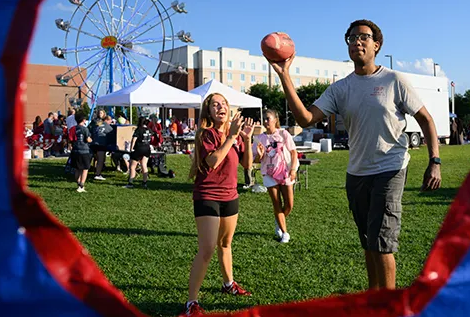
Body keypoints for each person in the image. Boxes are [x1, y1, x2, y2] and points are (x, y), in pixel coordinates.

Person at [269, 19, 442, 290]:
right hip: (357, 173)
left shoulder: (394, 80)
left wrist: (435, 160)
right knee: (368, 241)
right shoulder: (341, 88)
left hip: (390, 168)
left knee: (382, 242)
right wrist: (284, 75)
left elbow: (426, 120)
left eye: (363, 37)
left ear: (377, 45)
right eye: (351, 38)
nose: (357, 42)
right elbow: (305, 119)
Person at [182, 93, 254, 316]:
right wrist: (231, 137)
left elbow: (247, 165)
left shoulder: (236, 135)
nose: (220, 107)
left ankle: (228, 284)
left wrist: (248, 139)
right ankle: (191, 303)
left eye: (223, 103)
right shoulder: (207, 134)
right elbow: (212, 162)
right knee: (207, 249)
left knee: (225, 243)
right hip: (207, 195)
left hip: (230, 195)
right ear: (209, 112)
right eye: (215, 105)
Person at [253, 109, 298, 243]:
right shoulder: (260, 138)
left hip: (285, 172)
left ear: (275, 120)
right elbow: (255, 160)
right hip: (269, 173)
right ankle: (284, 233)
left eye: (268, 118)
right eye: (264, 119)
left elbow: (294, 152)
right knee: (277, 203)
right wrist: (260, 155)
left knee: (289, 204)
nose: (265, 121)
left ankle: (279, 220)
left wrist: (293, 170)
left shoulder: (283, 134)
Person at [125, 117, 152, 189]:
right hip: (147, 148)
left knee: (132, 166)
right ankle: (144, 183)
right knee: (144, 165)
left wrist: (131, 148)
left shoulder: (138, 130)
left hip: (139, 148)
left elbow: (134, 139)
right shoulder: (149, 130)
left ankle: (130, 182)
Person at [70, 114, 92, 193]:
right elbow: (88, 139)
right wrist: (91, 140)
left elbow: (70, 139)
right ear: (83, 120)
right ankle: (81, 185)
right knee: (85, 169)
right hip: (84, 150)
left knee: (77, 168)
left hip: (75, 150)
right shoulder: (85, 129)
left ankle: (78, 183)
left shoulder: (73, 129)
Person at [92, 115, 113, 181]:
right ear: (106, 120)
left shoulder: (98, 124)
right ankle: (97, 174)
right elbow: (112, 134)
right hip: (101, 144)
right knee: (101, 160)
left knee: (96, 159)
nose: (111, 122)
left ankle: (95, 170)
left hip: (94, 144)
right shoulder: (108, 126)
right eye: (110, 121)